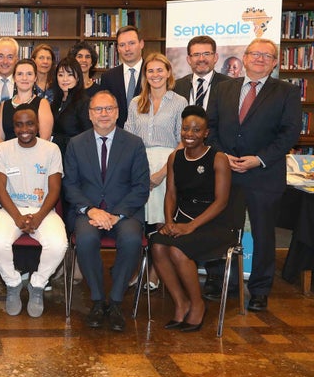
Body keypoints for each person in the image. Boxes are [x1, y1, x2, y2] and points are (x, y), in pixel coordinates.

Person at [207, 38, 301, 312]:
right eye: (255, 53)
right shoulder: (223, 88)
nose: (260, 58)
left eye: (267, 55)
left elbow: (289, 133)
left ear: (274, 63)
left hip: (264, 175)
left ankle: (259, 289)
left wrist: (258, 160)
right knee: (226, 232)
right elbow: (210, 127)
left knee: (263, 235)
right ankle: (230, 283)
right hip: (227, 172)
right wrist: (222, 155)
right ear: (245, 58)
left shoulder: (286, 92)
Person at [63, 91, 149, 332]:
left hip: (123, 212)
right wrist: (90, 210)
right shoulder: (76, 143)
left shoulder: (133, 143)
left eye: (108, 109)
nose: (104, 114)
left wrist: (116, 214)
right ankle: (98, 300)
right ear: (90, 115)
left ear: (117, 113)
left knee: (132, 239)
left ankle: (116, 301)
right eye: (98, 110)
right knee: (86, 239)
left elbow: (141, 187)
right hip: (88, 212)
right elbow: (69, 185)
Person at [150, 105, 234, 332]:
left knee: (177, 250)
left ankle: (197, 305)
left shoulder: (218, 159)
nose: (190, 134)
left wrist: (190, 227)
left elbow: (221, 202)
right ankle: (181, 303)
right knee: (157, 245)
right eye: (186, 129)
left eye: (196, 130)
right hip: (183, 219)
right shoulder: (174, 157)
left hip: (215, 224)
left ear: (206, 132)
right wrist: (169, 222)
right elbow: (171, 194)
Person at [0, 105, 67, 317]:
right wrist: (17, 217)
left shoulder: (51, 149)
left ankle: (38, 284)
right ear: (13, 127)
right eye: (19, 124)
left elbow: (55, 189)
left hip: (43, 211)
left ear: (38, 125)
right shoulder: (2, 149)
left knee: (60, 244)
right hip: (10, 210)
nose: (25, 128)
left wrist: (39, 217)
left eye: (30, 123)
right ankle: (13, 283)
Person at [124, 53, 187, 290]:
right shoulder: (136, 102)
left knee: (161, 219)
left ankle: (155, 271)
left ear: (169, 72)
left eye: (160, 70)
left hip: (168, 163)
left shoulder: (179, 102)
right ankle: (136, 268)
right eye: (150, 71)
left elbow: (183, 140)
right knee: (139, 219)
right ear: (145, 75)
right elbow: (128, 136)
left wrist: (163, 172)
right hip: (138, 162)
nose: (155, 75)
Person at [0, 59, 53, 145]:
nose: (24, 78)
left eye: (29, 74)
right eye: (20, 74)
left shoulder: (42, 104)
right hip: (8, 156)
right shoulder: (4, 105)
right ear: (14, 78)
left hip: (35, 156)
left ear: (35, 77)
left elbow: (45, 140)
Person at [99, 25, 144, 127]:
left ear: (141, 44)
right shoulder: (108, 77)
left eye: (131, 43)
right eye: (122, 45)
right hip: (117, 136)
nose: (127, 49)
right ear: (118, 49)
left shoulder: (152, 74)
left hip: (147, 136)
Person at [173, 35, 230, 110]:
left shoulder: (229, 86)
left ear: (215, 57)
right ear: (189, 59)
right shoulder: (176, 87)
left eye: (206, 54)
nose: (201, 59)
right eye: (196, 54)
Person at [50, 56, 92, 157]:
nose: (65, 79)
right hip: (56, 156)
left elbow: (88, 136)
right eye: (60, 75)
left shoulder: (84, 102)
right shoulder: (55, 102)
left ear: (77, 78)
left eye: (70, 75)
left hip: (75, 156)